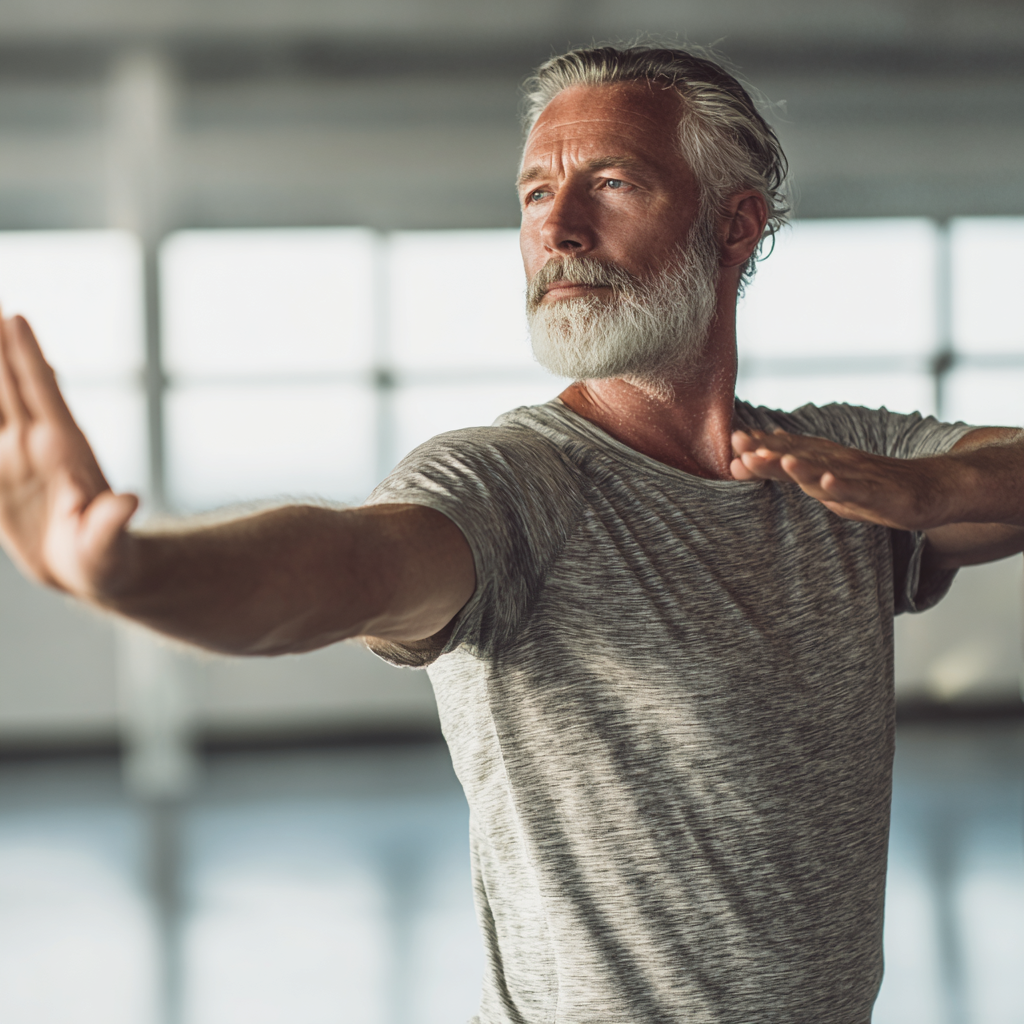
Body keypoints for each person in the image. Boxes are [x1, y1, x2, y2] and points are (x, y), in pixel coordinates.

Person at [0, 42, 1022, 1023]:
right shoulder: (508, 481)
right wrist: (134, 571)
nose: (557, 229)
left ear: (734, 222)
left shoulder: (845, 463)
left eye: (612, 183)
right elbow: (343, 565)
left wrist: (932, 491)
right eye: (535, 193)